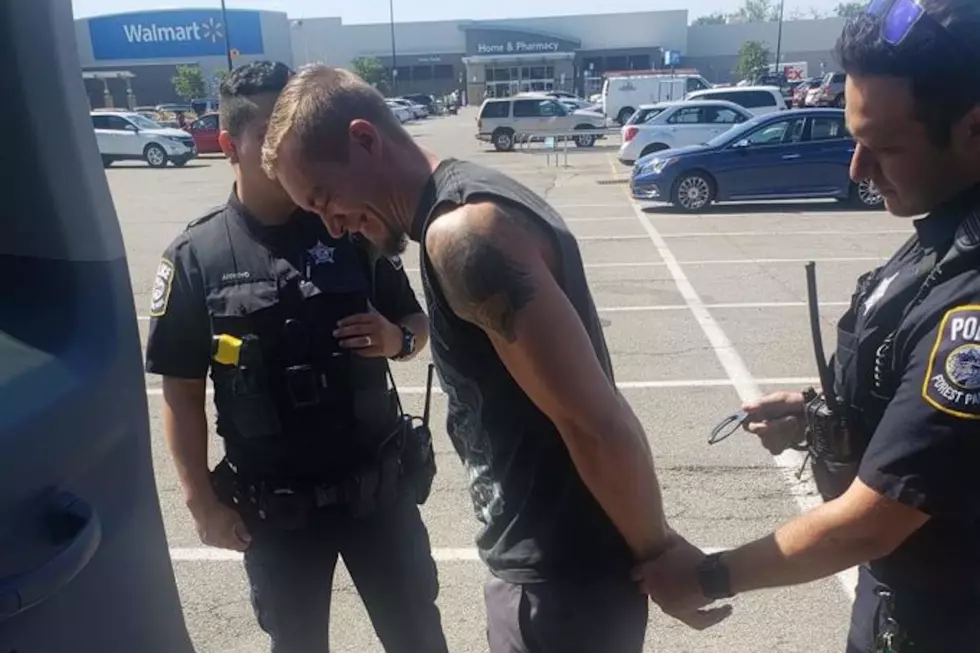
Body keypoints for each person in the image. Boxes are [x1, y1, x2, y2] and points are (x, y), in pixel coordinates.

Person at [259, 64, 731, 653]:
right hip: (556, 575)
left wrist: (661, 555)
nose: (331, 225)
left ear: (364, 138)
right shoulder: (467, 207)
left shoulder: (464, 233)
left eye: (325, 198)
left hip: (559, 584)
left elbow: (591, 421)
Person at [632, 1, 980, 650]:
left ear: (973, 129)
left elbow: (870, 523)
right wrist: (824, 411)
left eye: (884, 147)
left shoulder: (973, 305)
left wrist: (707, 574)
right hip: (902, 608)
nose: (858, 171)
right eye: (854, 139)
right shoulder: (946, 231)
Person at [144, 60, 449, 653]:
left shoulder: (347, 222)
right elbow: (180, 393)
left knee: (418, 636)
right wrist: (201, 504)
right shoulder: (195, 258)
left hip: (377, 495)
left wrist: (398, 341)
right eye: (267, 138)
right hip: (276, 513)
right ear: (230, 145)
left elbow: (415, 323)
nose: (284, 152)